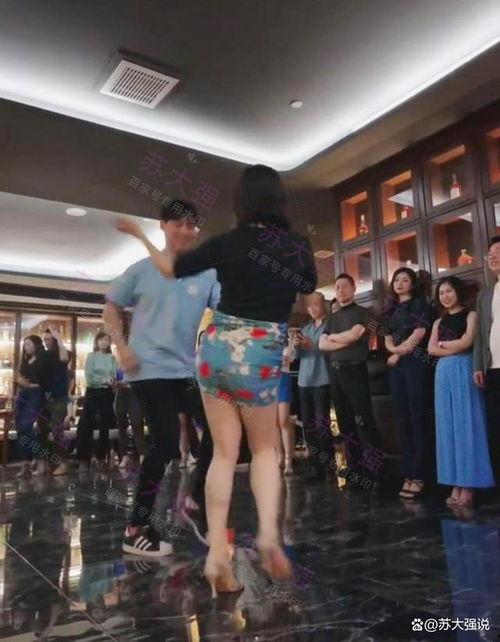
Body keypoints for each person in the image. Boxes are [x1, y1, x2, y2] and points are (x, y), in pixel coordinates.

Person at [116, 164, 317, 595]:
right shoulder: (297, 246)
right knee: (263, 449)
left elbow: (170, 268)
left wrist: (139, 236)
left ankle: (216, 557)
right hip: (260, 349)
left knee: (223, 454)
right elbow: (307, 286)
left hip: (216, 348)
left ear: (240, 202)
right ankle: (267, 535)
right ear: (279, 200)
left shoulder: (226, 242)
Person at [104, 199, 220, 558]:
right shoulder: (140, 270)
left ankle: (195, 502)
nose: (185, 231)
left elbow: (227, 311)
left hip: (186, 370)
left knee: (218, 433)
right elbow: (110, 309)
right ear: (163, 225)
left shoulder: (207, 274)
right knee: (167, 444)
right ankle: (136, 527)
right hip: (149, 368)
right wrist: (121, 346)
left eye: (191, 225)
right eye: (178, 224)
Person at [428, 276, 494, 506]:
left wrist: (444, 346)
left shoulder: (471, 315)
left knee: (467, 425)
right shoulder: (438, 322)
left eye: (449, 291)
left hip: (465, 368)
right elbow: (430, 349)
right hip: (443, 373)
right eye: (441, 293)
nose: (445, 296)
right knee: (446, 428)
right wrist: (449, 347)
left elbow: (467, 342)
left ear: (458, 292)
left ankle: (469, 484)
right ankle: (454, 482)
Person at [319, 274, 382, 484]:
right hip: (335, 373)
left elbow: (355, 335)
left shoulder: (363, 312)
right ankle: (355, 470)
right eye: (337, 287)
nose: (340, 290)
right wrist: (343, 339)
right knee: (345, 424)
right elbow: (322, 345)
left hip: (355, 370)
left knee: (363, 422)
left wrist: (334, 338)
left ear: (353, 288)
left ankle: (375, 473)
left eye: (344, 286)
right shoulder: (332, 318)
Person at [383, 267, 433, 499]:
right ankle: (408, 474)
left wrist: (398, 353)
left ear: (412, 284)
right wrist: (393, 351)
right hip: (397, 368)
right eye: (397, 280)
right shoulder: (390, 309)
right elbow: (387, 337)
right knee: (402, 421)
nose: (400, 283)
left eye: (405, 280)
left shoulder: (420, 303)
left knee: (417, 418)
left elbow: (419, 334)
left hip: (415, 364)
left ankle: (420, 475)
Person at [294, 291, 332, 482]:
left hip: (322, 380)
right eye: (310, 306)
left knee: (322, 424)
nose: (313, 309)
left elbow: (329, 350)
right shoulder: (306, 328)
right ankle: (315, 468)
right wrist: (297, 345)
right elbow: (298, 357)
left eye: (316, 304)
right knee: (308, 425)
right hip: (304, 381)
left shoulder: (330, 326)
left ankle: (329, 468)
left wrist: (311, 345)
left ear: (323, 305)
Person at [473, 235, 500, 484]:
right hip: (492, 369)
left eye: (498, 251)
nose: (493, 256)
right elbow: (480, 335)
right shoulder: (485, 295)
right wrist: (478, 366)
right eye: (490, 253)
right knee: (495, 427)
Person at [77, 331, 117, 470]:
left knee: (104, 424)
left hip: (107, 392)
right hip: (93, 391)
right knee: (87, 423)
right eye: (101, 340)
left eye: (106, 340)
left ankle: (101, 457)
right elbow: (89, 376)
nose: (104, 342)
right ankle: (84, 458)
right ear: (97, 342)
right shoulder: (91, 356)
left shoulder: (112, 358)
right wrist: (103, 380)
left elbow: (113, 374)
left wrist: (112, 381)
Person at [41, 327, 72, 476]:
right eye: (44, 340)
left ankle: (63, 463)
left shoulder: (62, 352)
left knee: (57, 430)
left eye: (49, 339)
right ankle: (49, 462)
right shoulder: (44, 355)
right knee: (43, 430)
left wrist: (59, 338)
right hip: (44, 397)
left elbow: (65, 358)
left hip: (59, 398)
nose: (46, 342)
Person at [14, 335, 46, 479]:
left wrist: (29, 384)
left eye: (29, 344)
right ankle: (25, 463)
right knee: (20, 429)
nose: (26, 347)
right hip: (22, 395)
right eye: (25, 344)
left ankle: (40, 459)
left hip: (36, 394)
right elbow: (18, 377)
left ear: (36, 345)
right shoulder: (25, 361)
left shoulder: (43, 361)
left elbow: (45, 382)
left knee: (26, 426)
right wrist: (19, 381)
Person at [114, 367, 146, 468]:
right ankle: (124, 455)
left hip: (133, 392)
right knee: (121, 425)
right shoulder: (117, 362)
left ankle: (142, 454)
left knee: (136, 424)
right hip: (120, 392)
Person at [276, 334, 296, 475]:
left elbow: (288, 359)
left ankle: (289, 458)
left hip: (283, 379)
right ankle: (279, 456)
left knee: (283, 420)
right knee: (273, 423)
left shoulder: (289, 340)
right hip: (267, 380)